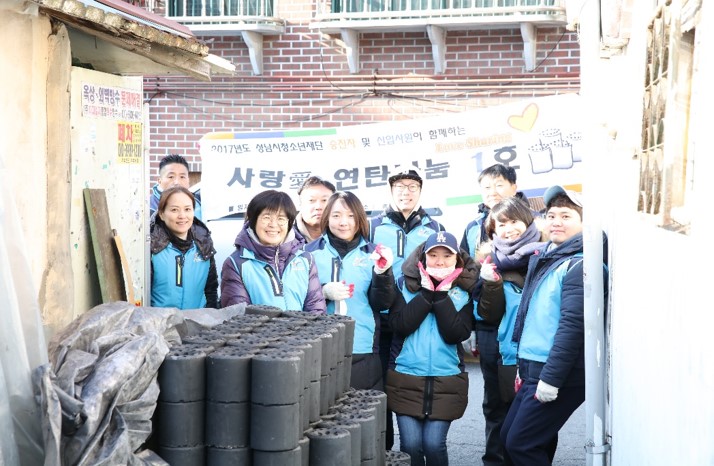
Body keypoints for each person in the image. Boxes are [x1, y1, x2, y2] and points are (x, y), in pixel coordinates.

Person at [500, 185, 606, 466]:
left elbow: (573, 327)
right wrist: (524, 368)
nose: (556, 221)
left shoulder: (580, 265)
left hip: (558, 371)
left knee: (521, 444)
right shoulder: (550, 256)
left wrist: (551, 379)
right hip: (534, 367)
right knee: (510, 437)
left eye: (567, 216)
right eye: (551, 215)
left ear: (585, 223)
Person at [460, 163, 533, 466]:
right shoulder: (472, 227)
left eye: (499, 185)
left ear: (514, 187)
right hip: (489, 325)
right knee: (494, 403)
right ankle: (495, 460)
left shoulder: (534, 229)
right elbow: (465, 276)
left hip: (527, 332)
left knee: (530, 407)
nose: (492, 192)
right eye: (486, 187)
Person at [385, 231, 478, 466]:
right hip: (406, 377)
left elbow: (456, 334)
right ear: (423, 258)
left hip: (446, 379)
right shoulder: (403, 286)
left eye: (447, 256)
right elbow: (400, 325)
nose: (439, 261)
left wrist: (441, 295)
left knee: (434, 445)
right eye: (433, 255)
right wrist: (427, 294)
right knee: (411, 446)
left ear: (457, 259)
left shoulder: (464, 293)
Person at [369, 166, 445, 449]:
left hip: (418, 318)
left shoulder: (434, 228)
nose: (406, 191)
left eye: (412, 186)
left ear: (421, 191)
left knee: (409, 381)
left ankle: (415, 445)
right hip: (382, 318)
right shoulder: (374, 226)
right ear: (391, 191)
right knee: (381, 386)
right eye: (400, 186)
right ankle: (386, 448)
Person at [474, 197, 547, 464]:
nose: (509, 229)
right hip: (499, 350)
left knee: (537, 420)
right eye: (501, 225)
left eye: (514, 221)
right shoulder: (488, 261)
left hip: (538, 352)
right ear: (492, 231)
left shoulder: (547, 255)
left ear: (527, 222)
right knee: (497, 413)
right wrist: (490, 284)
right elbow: (486, 315)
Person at [305, 191, 397, 390]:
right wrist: (322, 292)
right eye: (336, 215)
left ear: (360, 219)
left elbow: (383, 303)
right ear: (327, 217)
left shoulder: (373, 253)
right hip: (319, 348)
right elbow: (297, 300)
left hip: (362, 346)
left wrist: (383, 273)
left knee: (361, 414)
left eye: (351, 216)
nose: (343, 222)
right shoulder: (308, 254)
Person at [220, 189, 326, 314]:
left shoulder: (305, 259)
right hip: (257, 334)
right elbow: (238, 316)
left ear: (289, 223)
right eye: (266, 217)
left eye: (281, 218)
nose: (273, 224)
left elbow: (315, 309)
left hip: (304, 333)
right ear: (253, 221)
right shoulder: (236, 263)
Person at [150, 186, 217, 309]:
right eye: (174, 210)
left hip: (197, 323)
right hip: (160, 324)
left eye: (187, 209)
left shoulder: (204, 243)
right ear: (162, 214)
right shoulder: (152, 247)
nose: (182, 216)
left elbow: (211, 290)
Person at [150, 154, 202, 220]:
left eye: (182, 177)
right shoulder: (148, 208)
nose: (177, 182)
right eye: (171, 177)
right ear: (159, 181)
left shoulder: (199, 203)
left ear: (188, 180)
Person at [294, 176, 336, 243]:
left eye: (324, 200)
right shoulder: (285, 236)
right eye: (311, 200)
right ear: (301, 205)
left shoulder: (344, 234)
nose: (318, 207)